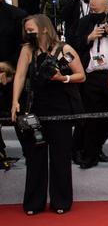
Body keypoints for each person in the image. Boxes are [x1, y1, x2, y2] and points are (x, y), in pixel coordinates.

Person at [9, 14, 85, 215]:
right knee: (35, 156)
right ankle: (34, 203)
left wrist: (63, 78)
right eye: (26, 30)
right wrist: (15, 101)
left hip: (60, 109)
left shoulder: (64, 49)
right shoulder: (27, 50)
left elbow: (81, 75)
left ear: (43, 29)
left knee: (60, 156)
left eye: (31, 29)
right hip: (35, 109)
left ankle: (61, 202)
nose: (28, 32)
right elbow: (19, 75)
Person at [73, 0, 108, 169]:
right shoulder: (85, 22)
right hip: (92, 75)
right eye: (91, 9)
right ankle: (89, 155)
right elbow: (75, 44)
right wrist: (89, 37)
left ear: (107, 8)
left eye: (96, 10)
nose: (93, 12)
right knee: (92, 118)